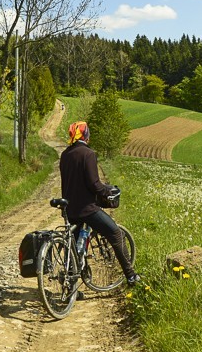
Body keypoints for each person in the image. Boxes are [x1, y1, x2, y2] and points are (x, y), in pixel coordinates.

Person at [59, 121, 141, 287]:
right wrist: (107, 192)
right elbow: (94, 184)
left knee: (73, 249)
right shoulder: (88, 154)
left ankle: (70, 286)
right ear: (86, 135)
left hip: (69, 209)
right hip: (86, 209)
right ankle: (131, 276)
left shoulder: (65, 154)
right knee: (116, 234)